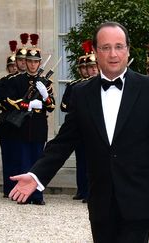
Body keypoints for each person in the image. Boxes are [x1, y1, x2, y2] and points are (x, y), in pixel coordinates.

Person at [9, 22, 149, 243]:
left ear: (128, 50)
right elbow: (63, 142)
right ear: (95, 52)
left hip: (140, 197)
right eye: (105, 47)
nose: (113, 54)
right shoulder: (82, 93)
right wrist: (36, 175)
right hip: (100, 199)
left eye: (119, 46)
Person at [6, 33, 56, 205]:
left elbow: (52, 106)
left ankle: (37, 196)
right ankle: (23, 195)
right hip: (22, 125)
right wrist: (29, 105)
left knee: (38, 161)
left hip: (39, 126)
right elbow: (11, 102)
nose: (33, 64)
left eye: (36, 62)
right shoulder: (17, 80)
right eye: (30, 61)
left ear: (39, 63)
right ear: (25, 62)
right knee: (23, 160)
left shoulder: (45, 82)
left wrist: (45, 97)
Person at [60, 42, 91, 203]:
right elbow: (64, 105)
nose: (88, 70)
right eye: (85, 67)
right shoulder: (74, 86)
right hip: (78, 127)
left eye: (91, 67)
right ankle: (82, 189)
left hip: (92, 129)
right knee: (81, 160)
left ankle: (90, 191)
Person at [0, 40, 19, 197]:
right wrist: (11, 104)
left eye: (16, 66)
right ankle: (8, 188)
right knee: (8, 157)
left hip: (21, 124)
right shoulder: (2, 83)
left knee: (19, 158)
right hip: (6, 124)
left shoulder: (24, 82)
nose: (14, 68)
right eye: (12, 66)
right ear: (8, 68)